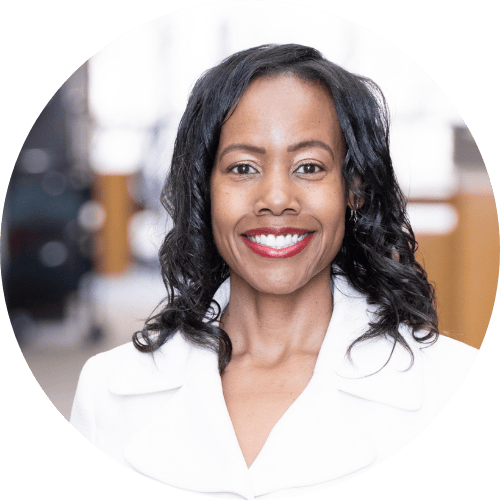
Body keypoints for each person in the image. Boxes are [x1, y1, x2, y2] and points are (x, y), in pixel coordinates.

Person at [70, 44, 478, 498]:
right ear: (205, 189)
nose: (277, 198)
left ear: (354, 189)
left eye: (309, 167)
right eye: (243, 168)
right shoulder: (107, 391)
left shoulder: (448, 383)